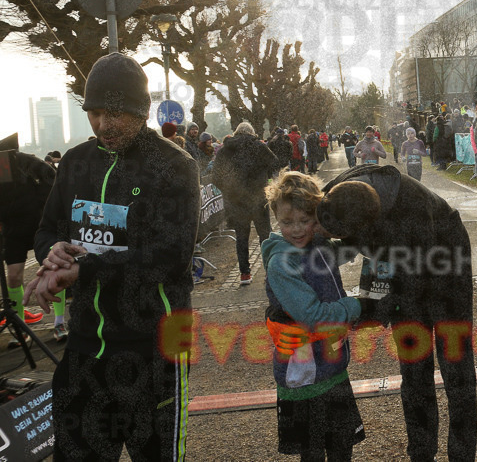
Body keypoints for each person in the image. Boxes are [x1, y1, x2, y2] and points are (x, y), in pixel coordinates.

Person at [27, 52, 198, 460]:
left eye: (115, 114)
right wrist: (51, 252)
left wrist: (83, 270)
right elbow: (47, 229)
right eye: (95, 113)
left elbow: (169, 257)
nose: (104, 125)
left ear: (141, 112)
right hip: (85, 352)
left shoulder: (173, 166)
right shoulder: (74, 163)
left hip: (153, 351)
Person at [319, 165, 477, 462]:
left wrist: (372, 310)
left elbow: (408, 286)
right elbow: (340, 248)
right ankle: (420, 453)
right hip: (400, 258)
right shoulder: (335, 194)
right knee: (414, 369)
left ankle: (462, 454)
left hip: (445, 255)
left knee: (455, 366)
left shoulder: (411, 210)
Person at [261, 171, 365, 461]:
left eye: (304, 221)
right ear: (276, 219)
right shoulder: (283, 263)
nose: (296, 230)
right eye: (286, 222)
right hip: (303, 375)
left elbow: (345, 249)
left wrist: (353, 226)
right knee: (313, 452)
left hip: (331, 367)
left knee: (342, 447)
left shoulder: (316, 244)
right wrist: (357, 306)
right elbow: (314, 316)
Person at [212, 121, 279, 287]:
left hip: (236, 201)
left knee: (241, 237)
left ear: (236, 132)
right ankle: (270, 272)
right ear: (251, 132)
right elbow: (275, 163)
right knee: (265, 235)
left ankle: (244, 274)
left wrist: (229, 190)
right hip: (258, 198)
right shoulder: (258, 146)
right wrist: (266, 179)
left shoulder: (225, 150)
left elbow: (215, 177)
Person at [0, 148, 54, 331]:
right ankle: (19, 328)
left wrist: (40, 203)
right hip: (12, 230)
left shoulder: (20, 159)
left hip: (37, 226)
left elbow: (50, 175)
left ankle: (60, 322)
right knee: (13, 277)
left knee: (51, 269)